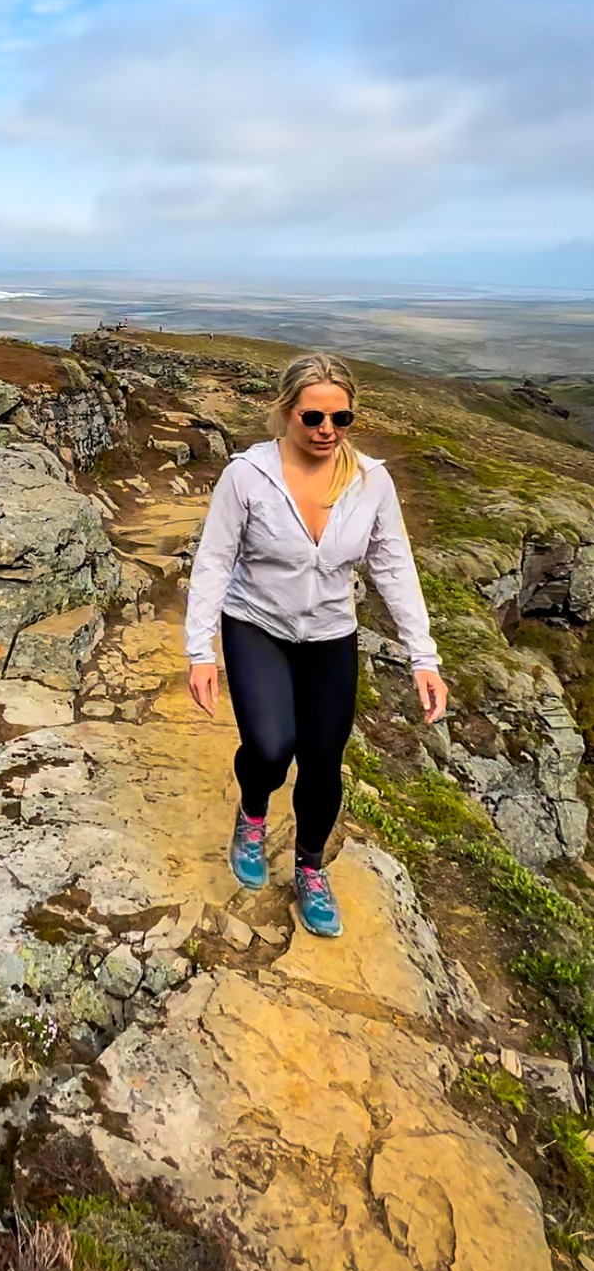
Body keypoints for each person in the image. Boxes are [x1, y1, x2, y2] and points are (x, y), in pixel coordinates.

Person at [184, 351, 448, 937]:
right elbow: (214, 561)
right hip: (256, 625)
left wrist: (423, 657)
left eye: (341, 419)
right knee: (272, 746)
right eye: (313, 418)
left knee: (324, 765)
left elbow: (394, 567)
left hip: (330, 633)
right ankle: (253, 814)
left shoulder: (371, 482)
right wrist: (200, 650)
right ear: (286, 412)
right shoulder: (247, 477)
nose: (327, 430)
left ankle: (309, 867)